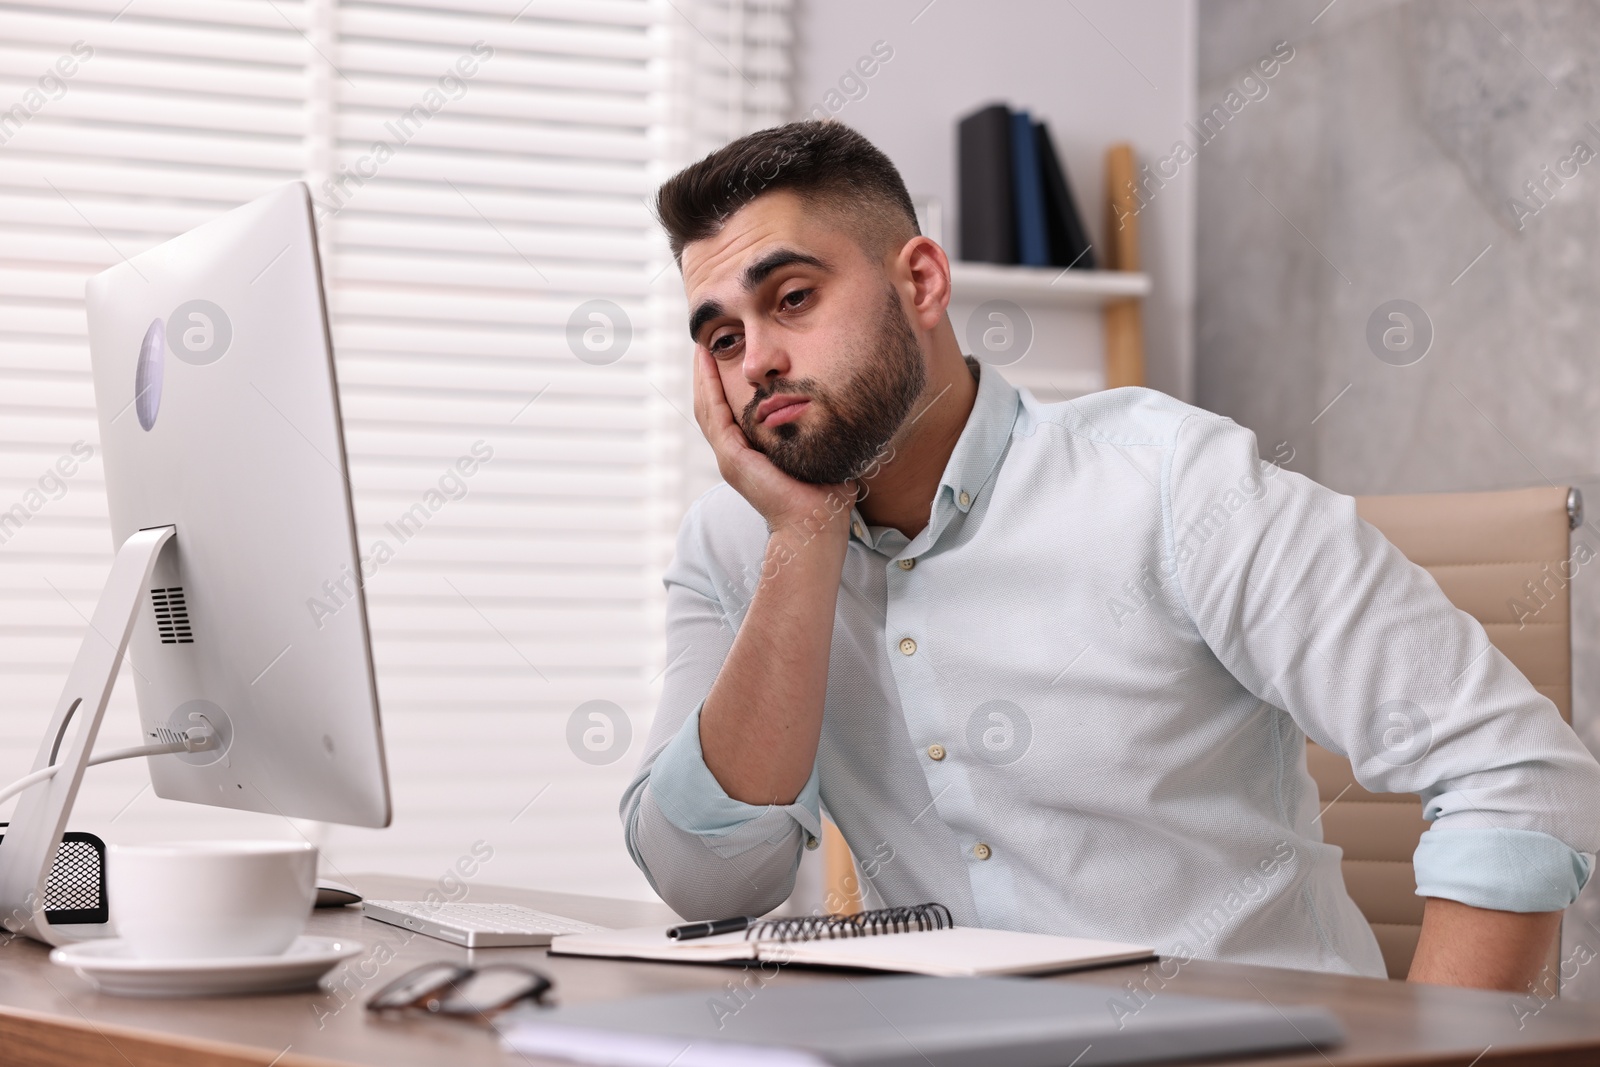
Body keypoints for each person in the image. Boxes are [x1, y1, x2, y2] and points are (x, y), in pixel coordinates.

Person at [620, 119, 1600, 990]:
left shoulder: (1171, 482)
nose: (755, 361)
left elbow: (1517, 771)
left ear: (920, 281)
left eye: (791, 297)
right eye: (720, 337)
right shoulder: (734, 543)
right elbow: (709, 877)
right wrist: (801, 539)